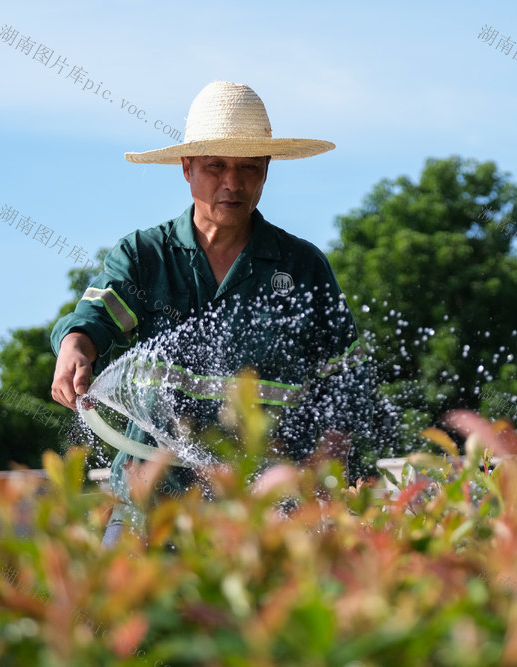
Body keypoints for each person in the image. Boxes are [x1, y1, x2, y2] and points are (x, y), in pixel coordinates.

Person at [50, 81, 372, 546]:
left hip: (268, 512)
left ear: (266, 172)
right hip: (153, 505)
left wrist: (321, 473)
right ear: (186, 168)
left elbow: (344, 377)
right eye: (215, 166)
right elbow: (98, 316)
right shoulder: (147, 256)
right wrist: (75, 347)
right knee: (113, 618)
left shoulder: (300, 266)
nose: (233, 183)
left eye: (248, 168)